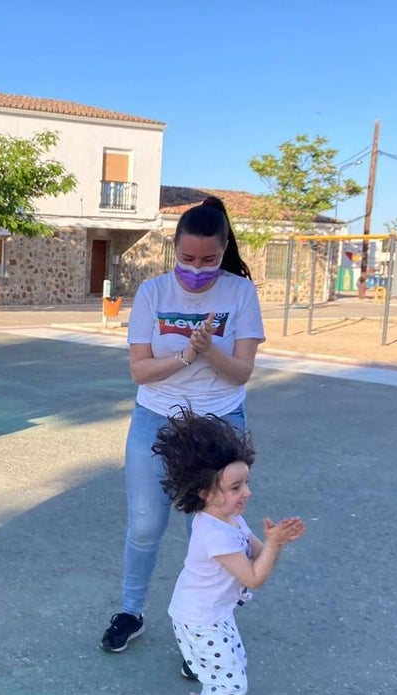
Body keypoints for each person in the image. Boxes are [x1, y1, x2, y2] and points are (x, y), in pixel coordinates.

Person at [100, 196, 266, 664]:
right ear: (175, 250)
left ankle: (209, 631)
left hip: (219, 424)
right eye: (187, 259)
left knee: (212, 530)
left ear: (223, 250)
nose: (197, 269)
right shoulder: (153, 293)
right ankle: (131, 612)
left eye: (209, 260)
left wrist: (212, 351)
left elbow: (241, 373)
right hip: (156, 419)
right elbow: (139, 371)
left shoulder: (239, 293)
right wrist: (187, 357)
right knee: (146, 523)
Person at [151, 409, 305, 695]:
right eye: (236, 487)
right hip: (199, 619)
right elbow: (254, 577)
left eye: (246, 483)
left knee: (232, 667)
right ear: (205, 491)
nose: (247, 493)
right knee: (232, 684)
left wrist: (274, 541)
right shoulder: (212, 532)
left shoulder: (230, 517)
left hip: (213, 613)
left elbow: (255, 551)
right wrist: (276, 546)